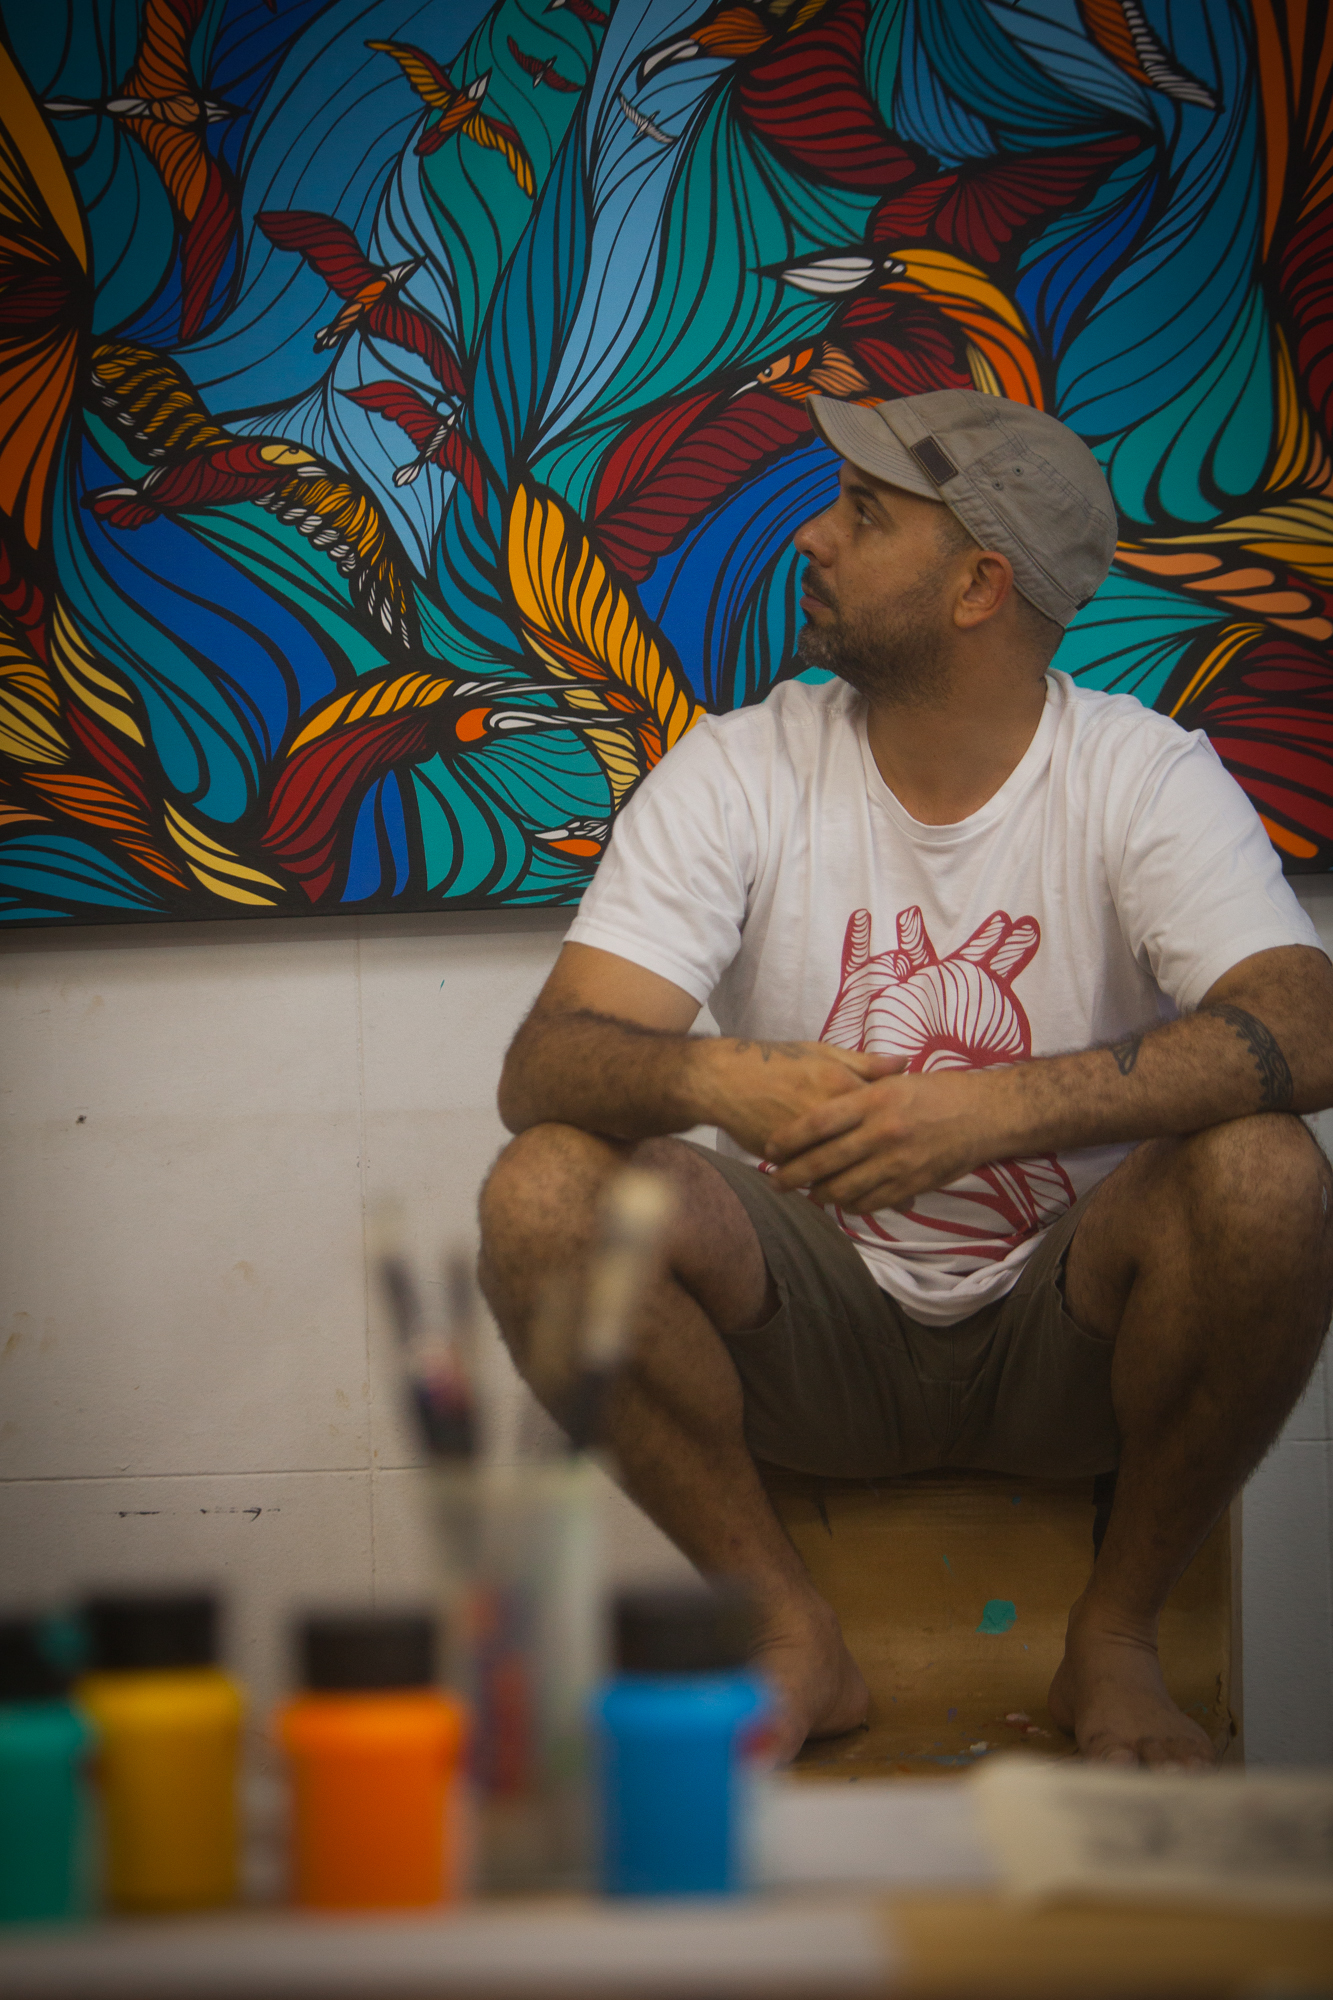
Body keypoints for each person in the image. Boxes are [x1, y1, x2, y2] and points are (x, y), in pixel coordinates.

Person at [478, 389, 1333, 1768]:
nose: (812, 536)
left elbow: (1308, 1025)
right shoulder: (737, 769)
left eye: (866, 515)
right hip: (806, 1333)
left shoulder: (1140, 773)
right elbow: (546, 1068)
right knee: (545, 1192)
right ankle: (787, 1634)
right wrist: (724, 1079)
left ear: (978, 586)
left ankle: (1114, 1637)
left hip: (1070, 1336)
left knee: (1268, 1175)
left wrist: (991, 1108)